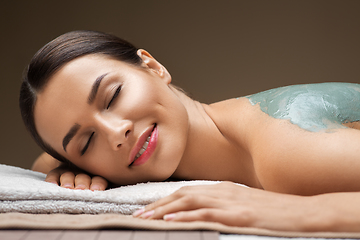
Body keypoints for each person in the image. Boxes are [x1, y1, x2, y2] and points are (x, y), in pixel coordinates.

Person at [20, 30, 360, 232]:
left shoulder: (289, 151)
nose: (116, 133)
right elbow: (43, 162)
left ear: (154, 67)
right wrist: (66, 169)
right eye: (87, 141)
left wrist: (295, 211)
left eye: (113, 96)